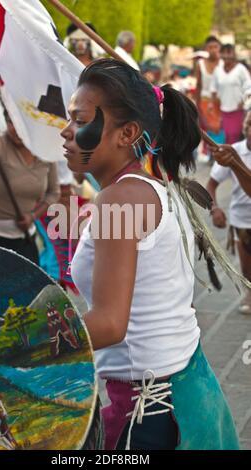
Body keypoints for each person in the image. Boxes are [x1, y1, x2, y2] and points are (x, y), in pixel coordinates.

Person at [61, 58, 239, 450]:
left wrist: (20, 345)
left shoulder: (122, 198)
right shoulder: (150, 186)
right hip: (185, 391)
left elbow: (109, 323)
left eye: (79, 120)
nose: (66, 131)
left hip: (154, 414)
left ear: (127, 133)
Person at [0, 110, 60, 264]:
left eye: (22, 123)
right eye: (12, 122)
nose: (16, 129)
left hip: (23, 237)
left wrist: (32, 216)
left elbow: (53, 193)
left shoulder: (45, 152)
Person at [206, 111, 251, 314]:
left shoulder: (232, 156)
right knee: (247, 268)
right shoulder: (234, 150)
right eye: (249, 124)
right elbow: (211, 184)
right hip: (242, 220)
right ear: (244, 127)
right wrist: (214, 208)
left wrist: (234, 163)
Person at [211, 44, 251, 144]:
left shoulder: (241, 69)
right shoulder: (217, 70)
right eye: (223, 52)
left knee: (234, 137)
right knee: (223, 138)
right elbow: (213, 89)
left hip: (238, 111)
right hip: (222, 111)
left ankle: (234, 159)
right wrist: (214, 103)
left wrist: (243, 101)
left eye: (229, 52)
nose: (226, 56)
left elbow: (249, 88)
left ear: (234, 54)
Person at [196, 36, 224, 144]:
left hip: (221, 103)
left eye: (215, 47)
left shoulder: (224, 64)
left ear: (219, 48)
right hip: (205, 103)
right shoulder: (201, 64)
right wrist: (197, 106)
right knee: (208, 133)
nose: (213, 50)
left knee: (221, 132)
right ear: (206, 49)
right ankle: (209, 156)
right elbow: (198, 86)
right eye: (210, 47)